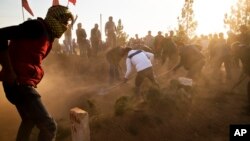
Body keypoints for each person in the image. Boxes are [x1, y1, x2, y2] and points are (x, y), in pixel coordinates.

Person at [0, 5, 74, 141]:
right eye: (64, 21)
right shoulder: (36, 27)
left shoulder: (47, 35)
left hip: (19, 83)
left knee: (29, 120)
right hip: (19, 84)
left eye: (68, 23)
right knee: (49, 126)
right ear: (55, 18)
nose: (66, 25)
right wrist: (9, 71)